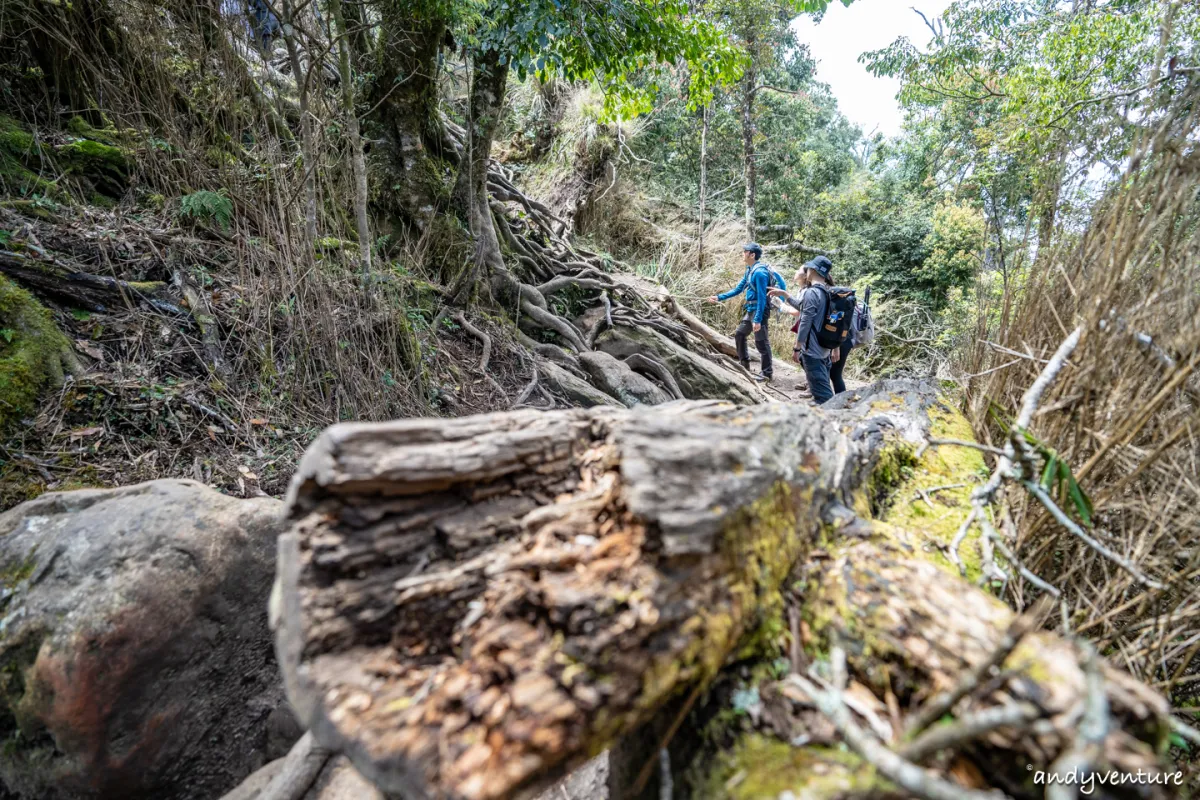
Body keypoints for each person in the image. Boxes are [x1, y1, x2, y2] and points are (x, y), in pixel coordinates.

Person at [705, 243, 785, 383]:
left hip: (760, 311)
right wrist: (718, 297)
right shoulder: (750, 270)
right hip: (751, 310)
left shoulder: (759, 273)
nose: (742, 254)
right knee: (740, 334)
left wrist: (758, 319)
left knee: (761, 342)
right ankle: (744, 364)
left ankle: (767, 373)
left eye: (745, 252)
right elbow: (738, 289)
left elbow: (761, 297)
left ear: (752, 254)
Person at [769, 255, 836, 404]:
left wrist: (797, 347)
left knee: (823, 397)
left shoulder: (812, 293)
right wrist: (785, 295)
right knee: (822, 390)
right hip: (824, 347)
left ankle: (833, 420)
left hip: (812, 350)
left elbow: (805, 321)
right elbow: (804, 307)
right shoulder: (827, 291)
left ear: (812, 271)